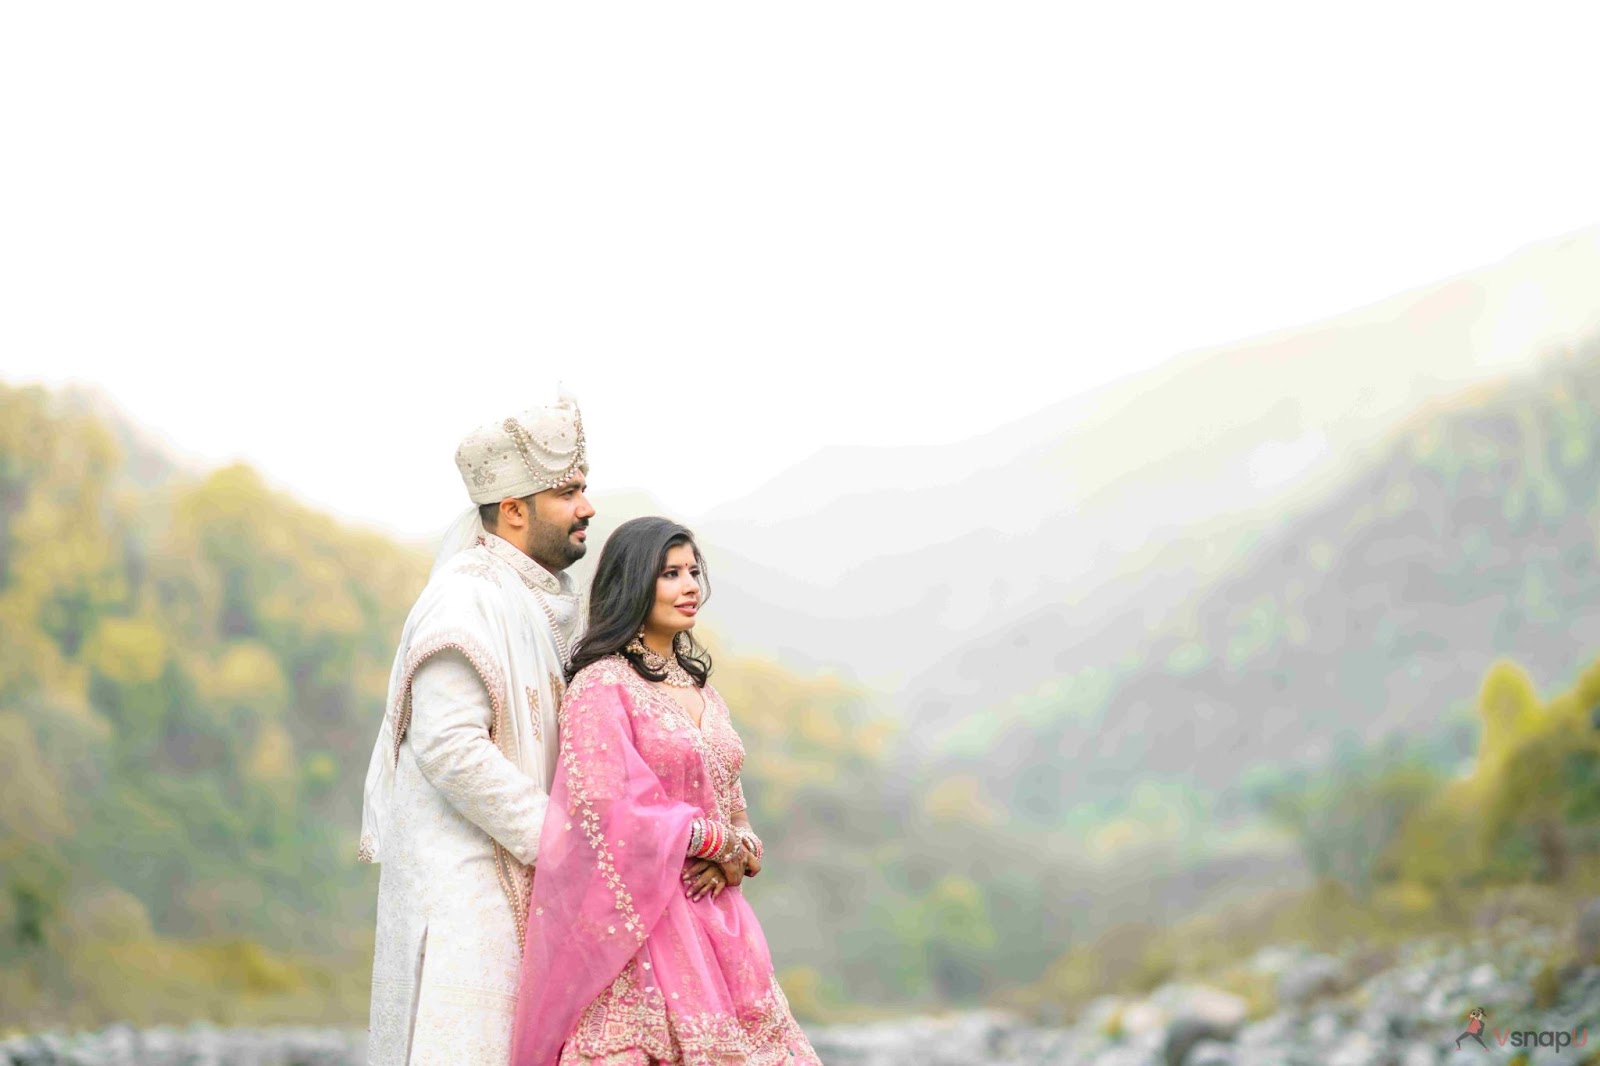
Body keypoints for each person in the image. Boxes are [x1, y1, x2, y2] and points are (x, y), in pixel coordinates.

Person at [511, 516, 821, 1065]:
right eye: (671, 573)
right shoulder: (603, 684)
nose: (690, 586)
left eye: (694, 572)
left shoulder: (705, 693)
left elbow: (736, 811)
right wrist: (712, 842)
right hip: (644, 932)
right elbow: (603, 810)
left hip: (722, 928)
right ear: (633, 582)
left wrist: (741, 850)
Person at [358, 399, 596, 1065]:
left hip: (516, 886)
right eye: (568, 492)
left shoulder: (526, 597)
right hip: (466, 900)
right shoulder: (466, 596)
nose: (587, 506)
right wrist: (569, 848)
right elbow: (450, 746)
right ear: (513, 509)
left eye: (583, 488)